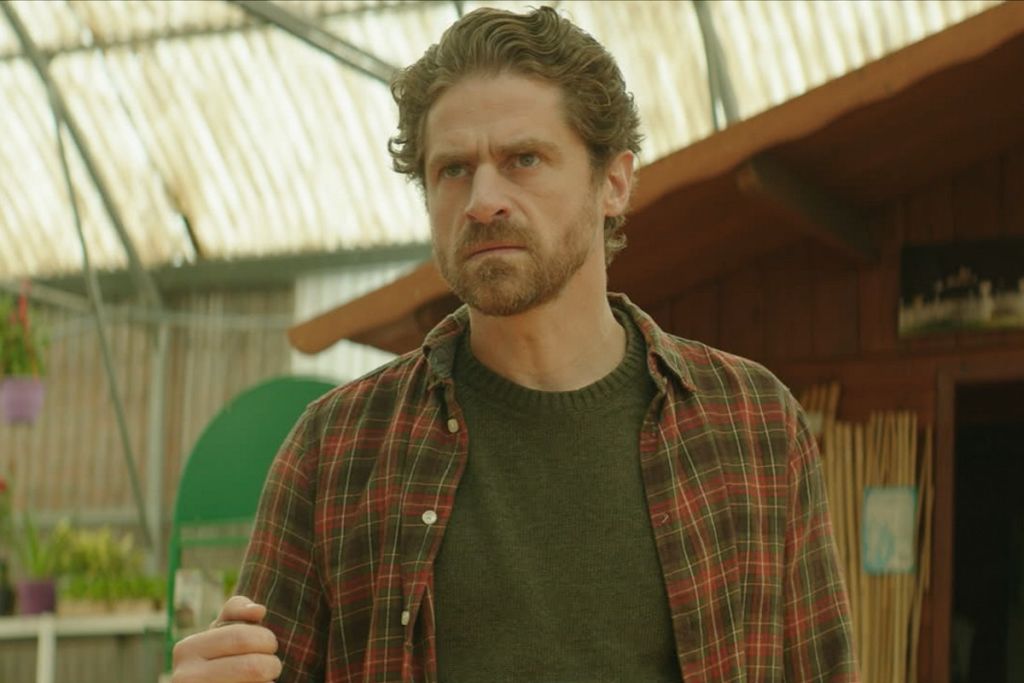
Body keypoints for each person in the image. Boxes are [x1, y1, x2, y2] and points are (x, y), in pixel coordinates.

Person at [171, 6, 857, 683]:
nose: (483, 200)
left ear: (614, 182)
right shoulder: (338, 450)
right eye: (453, 169)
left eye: (523, 159)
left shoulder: (752, 426)